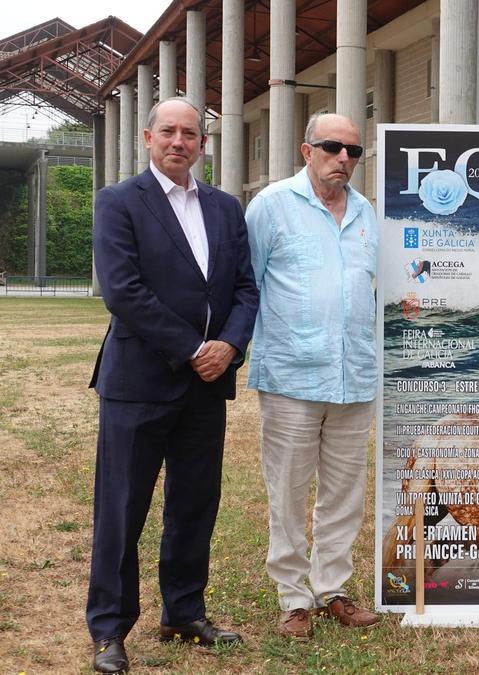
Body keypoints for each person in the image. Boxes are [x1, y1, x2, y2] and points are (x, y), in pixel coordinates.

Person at [87, 97, 258, 673]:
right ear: (147, 137)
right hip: (138, 383)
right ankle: (109, 630)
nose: (179, 141)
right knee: (122, 510)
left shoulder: (225, 208)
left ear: (203, 145)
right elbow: (123, 291)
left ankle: (183, 613)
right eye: (169, 132)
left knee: (194, 505)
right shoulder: (117, 202)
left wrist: (229, 346)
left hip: (207, 387)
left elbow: (245, 288)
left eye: (190, 133)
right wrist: (192, 350)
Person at [245, 113, 380, 639]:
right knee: (288, 491)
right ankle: (292, 597)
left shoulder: (368, 214)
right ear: (307, 150)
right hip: (291, 378)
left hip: (354, 377)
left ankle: (333, 590)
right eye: (332, 147)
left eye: (353, 151)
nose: (343, 158)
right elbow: (246, 287)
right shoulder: (271, 207)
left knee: (345, 493)